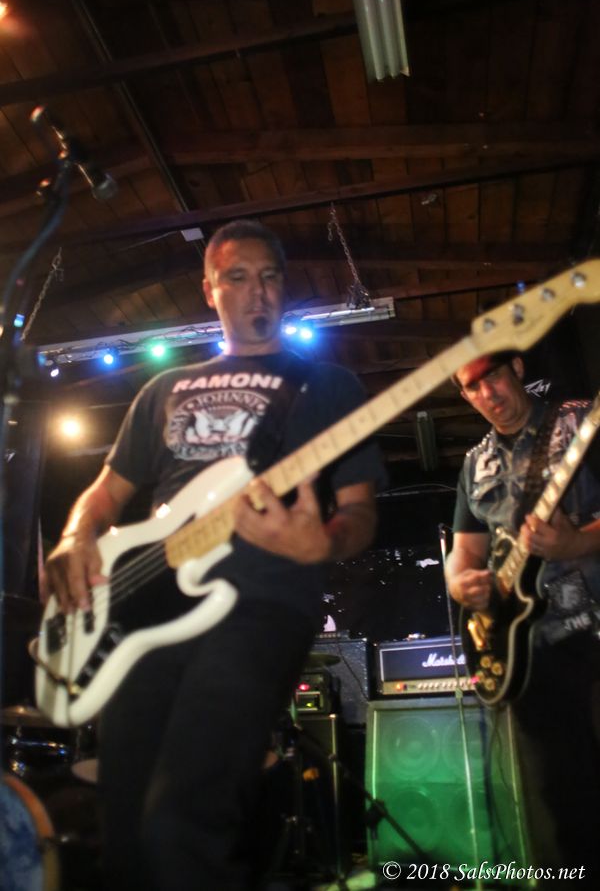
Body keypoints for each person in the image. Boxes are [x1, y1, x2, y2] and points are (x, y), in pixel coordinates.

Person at [42, 219, 386, 890]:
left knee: (182, 825)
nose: (258, 292)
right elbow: (105, 495)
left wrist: (325, 541)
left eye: (270, 277)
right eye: (238, 277)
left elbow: (361, 512)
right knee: (124, 836)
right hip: (145, 616)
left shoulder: (326, 385)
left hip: (262, 607)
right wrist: (74, 536)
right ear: (209, 289)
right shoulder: (162, 389)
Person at [445, 351, 600, 887]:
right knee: (563, 804)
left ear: (516, 367)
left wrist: (579, 542)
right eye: (473, 387)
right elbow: (464, 554)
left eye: (492, 377)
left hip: (594, 627)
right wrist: (459, 583)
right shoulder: (475, 464)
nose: (487, 394)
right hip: (530, 655)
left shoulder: (580, 422)